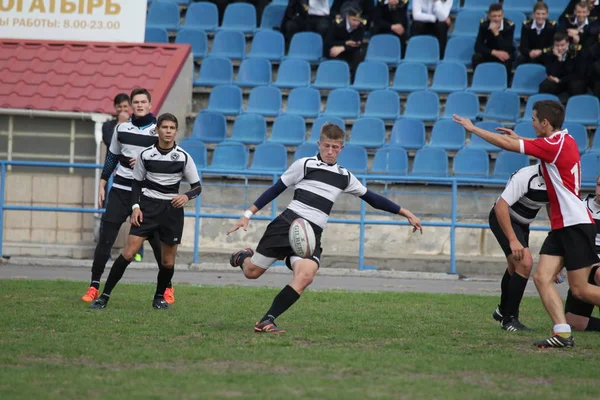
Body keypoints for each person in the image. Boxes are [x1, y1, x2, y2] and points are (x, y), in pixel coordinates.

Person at [226, 123, 423, 334]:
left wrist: (406, 213)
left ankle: (267, 320)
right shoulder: (304, 165)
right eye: (326, 146)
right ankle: (243, 257)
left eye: (335, 147)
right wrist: (247, 215)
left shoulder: (344, 176)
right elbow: (276, 189)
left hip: (311, 235)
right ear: (319, 144)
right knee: (252, 273)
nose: (330, 151)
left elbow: (372, 198)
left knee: (306, 276)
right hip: (286, 225)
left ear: (341, 148)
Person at [453, 100, 600, 348]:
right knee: (542, 278)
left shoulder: (554, 144)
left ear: (545, 123)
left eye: (533, 119)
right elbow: (538, 149)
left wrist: (475, 130)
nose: (531, 123)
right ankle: (563, 334)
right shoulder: (562, 141)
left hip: (574, 223)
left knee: (580, 290)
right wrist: (521, 138)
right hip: (563, 226)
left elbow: (511, 146)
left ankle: (547, 327)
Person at [90, 113, 201, 310]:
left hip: (171, 212)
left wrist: (185, 196)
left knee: (167, 261)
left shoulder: (183, 157)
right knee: (128, 253)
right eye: (164, 127)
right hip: (147, 208)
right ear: (157, 129)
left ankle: (159, 297)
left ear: (176, 131)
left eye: (171, 128)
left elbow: (197, 187)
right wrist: (136, 207)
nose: (168, 131)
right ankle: (104, 296)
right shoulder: (146, 155)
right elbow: (136, 183)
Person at [81, 89, 174, 305]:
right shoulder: (121, 128)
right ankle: (94, 286)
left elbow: (166, 158)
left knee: (158, 244)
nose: (140, 105)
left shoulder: (158, 130)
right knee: (106, 238)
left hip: (147, 194)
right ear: (132, 105)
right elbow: (112, 155)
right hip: (121, 190)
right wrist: (103, 182)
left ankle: (167, 287)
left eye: (144, 102)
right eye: (136, 102)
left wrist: (144, 162)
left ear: (150, 105)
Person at [489, 165, 549, 331]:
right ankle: (510, 319)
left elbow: (551, 205)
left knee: (515, 267)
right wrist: (513, 239)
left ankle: (502, 311)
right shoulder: (526, 176)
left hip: (522, 224)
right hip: (504, 219)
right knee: (525, 264)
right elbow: (501, 207)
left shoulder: (557, 179)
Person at [564, 176, 600, 332]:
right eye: (599, 185)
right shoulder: (580, 207)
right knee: (573, 323)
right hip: (584, 266)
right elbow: (566, 239)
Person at [538, 32, 587, 99]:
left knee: (577, 85)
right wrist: (559, 59)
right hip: (557, 80)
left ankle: (574, 106)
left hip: (572, 79)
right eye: (557, 45)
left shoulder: (577, 52)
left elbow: (578, 74)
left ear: (568, 43)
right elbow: (550, 73)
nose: (560, 48)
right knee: (545, 85)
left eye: (562, 45)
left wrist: (561, 80)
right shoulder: (550, 53)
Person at [472, 3, 515, 77]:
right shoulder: (484, 25)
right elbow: (478, 46)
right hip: (490, 52)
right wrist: (494, 52)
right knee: (476, 57)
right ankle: (478, 80)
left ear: (503, 15)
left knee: (508, 58)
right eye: (494, 16)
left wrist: (496, 33)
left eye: (499, 16)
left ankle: (506, 83)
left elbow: (507, 48)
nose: (497, 19)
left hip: (503, 52)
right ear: (489, 16)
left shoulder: (509, 26)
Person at [324, 3, 366, 79]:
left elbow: (357, 44)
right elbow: (328, 42)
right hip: (335, 50)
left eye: (358, 21)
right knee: (334, 53)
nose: (356, 23)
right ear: (348, 17)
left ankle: (355, 80)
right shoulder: (337, 25)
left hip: (349, 50)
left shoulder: (361, 26)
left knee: (360, 53)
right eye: (353, 20)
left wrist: (343, 48)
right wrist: (344, 43)